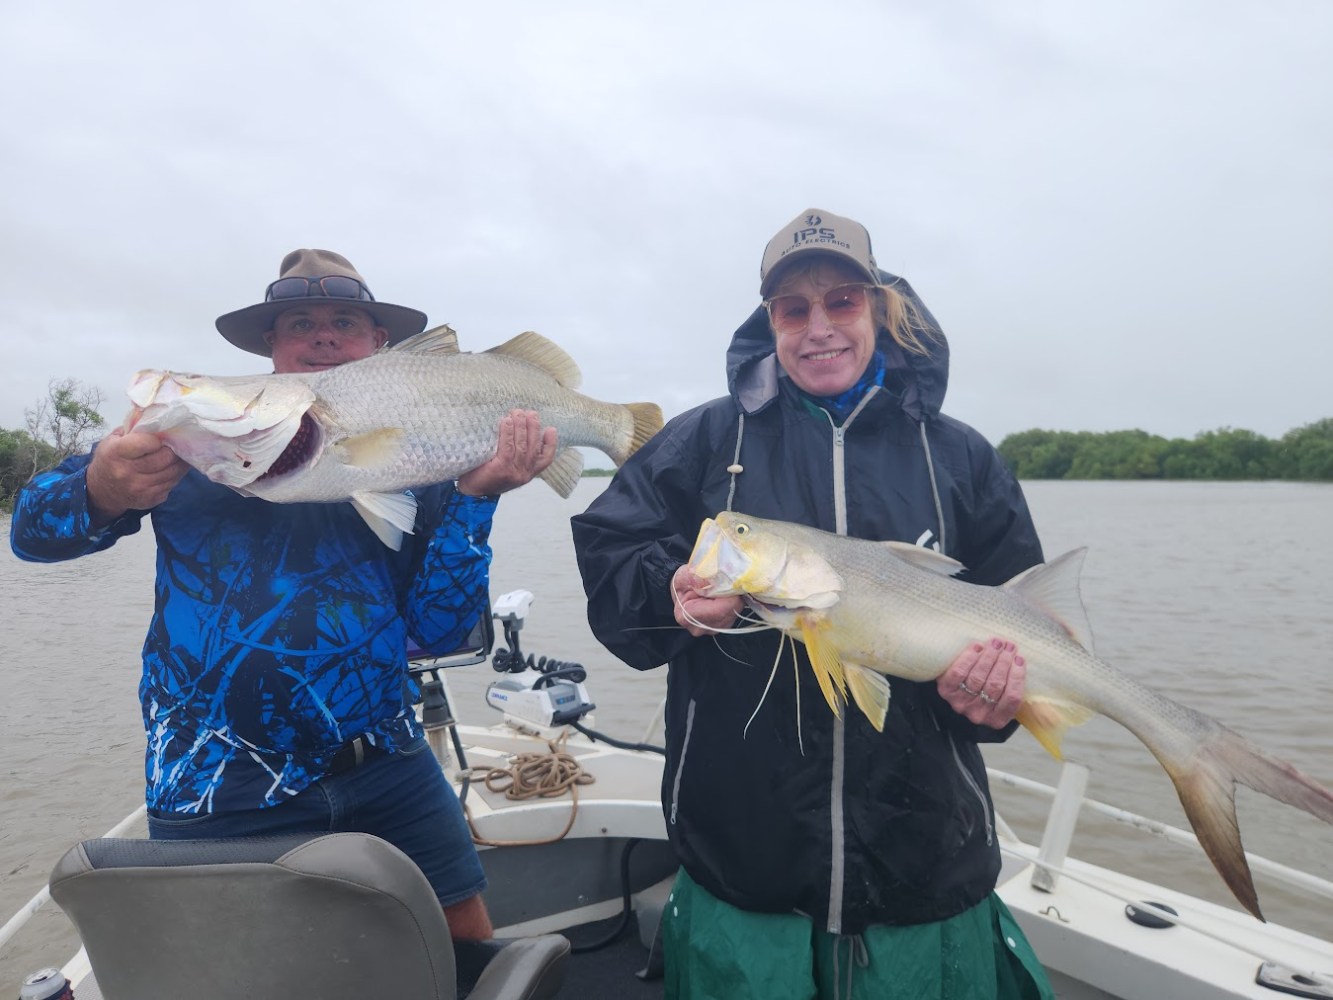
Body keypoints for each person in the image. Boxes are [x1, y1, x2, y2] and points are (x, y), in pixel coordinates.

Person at [571, 210, 1055, 998]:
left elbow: (1022, 628)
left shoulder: (961, 455)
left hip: (926, 863)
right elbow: (610, 561)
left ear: (879, 309)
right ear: (769, 323)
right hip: (744, 861)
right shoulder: (701, 443)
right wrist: (671, 594)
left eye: (841, 302)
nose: (817, 327)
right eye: (793, 309)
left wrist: (995, 703)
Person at [10, 249, 557, 941]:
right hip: (217, 770)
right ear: (270, 345)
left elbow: (440, 631)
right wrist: (100, 491)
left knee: (464, 942)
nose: (323, 335)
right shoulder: (191, 439)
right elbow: (32, 536)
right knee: (236, 968)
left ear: (378, 345)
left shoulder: (421, 461)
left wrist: (477, 499)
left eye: (345, 322)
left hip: (386, 755)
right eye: (300, 321)